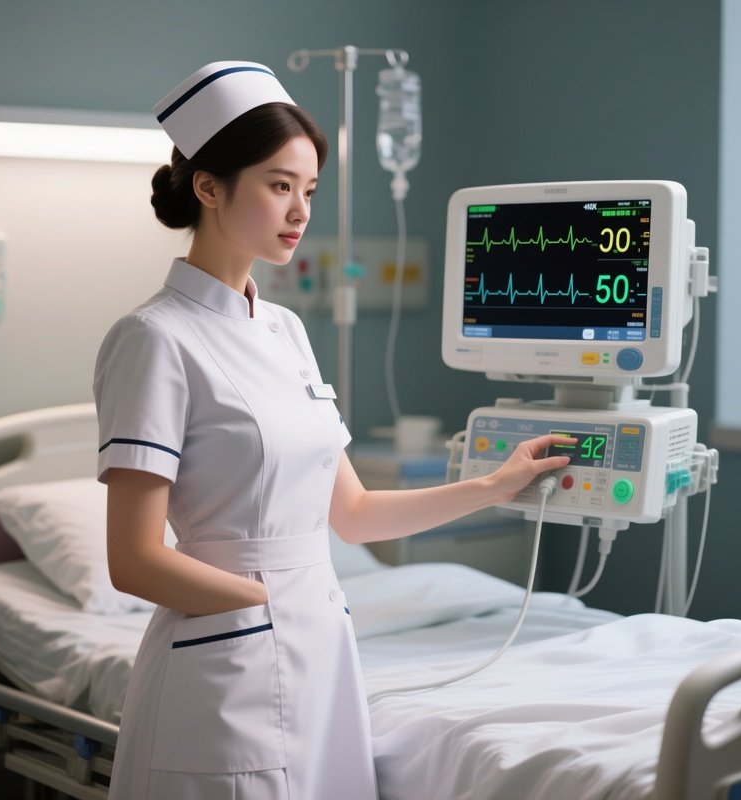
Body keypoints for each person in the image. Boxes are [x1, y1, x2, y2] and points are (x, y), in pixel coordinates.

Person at [93, 61, 572, 800]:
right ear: (210, 187)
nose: (300, 210)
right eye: (279, 185)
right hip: (224, 669)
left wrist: (495, 484)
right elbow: (133, 560)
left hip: (321, 653)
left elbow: (352, 515)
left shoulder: (284, 330)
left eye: (309, 190)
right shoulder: (155, 338)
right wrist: (267, 606)